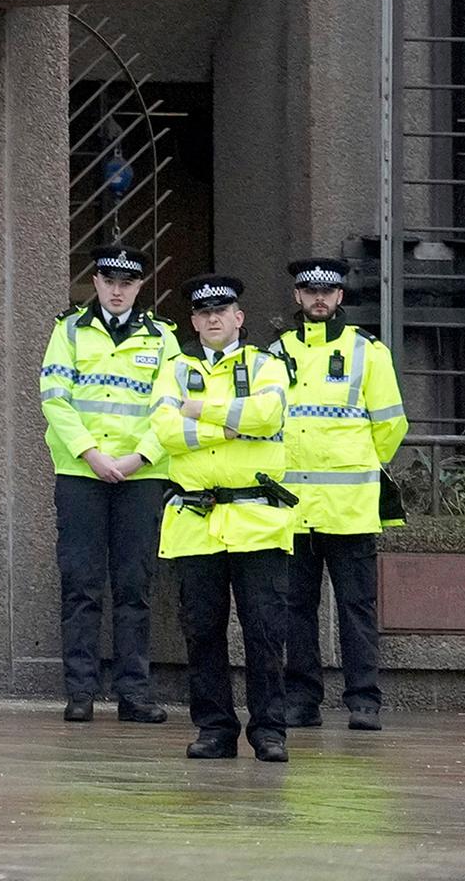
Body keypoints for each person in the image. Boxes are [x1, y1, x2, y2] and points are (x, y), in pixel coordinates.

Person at [130, 274, 294, 763]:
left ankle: (269, 730)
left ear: (238, 318)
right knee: (201, 632)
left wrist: (201, 410)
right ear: (194, 321)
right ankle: (215, 729)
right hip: (195, 520)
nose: (212, 319)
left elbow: (269, 416)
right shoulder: (174, 367)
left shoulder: (267, 364)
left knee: (264, 631)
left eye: (221, 311)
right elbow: (163, 428)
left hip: (257, 518)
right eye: (203, 313)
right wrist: (231, 428)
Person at [36, 241, 171, 725]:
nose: (117, 291)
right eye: (109, 281)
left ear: (140, 286)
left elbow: (169, 409)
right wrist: (92, 454)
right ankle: (80, 692)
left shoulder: (162, 338)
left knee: (135, 585)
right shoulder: (68, 331)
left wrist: (137, 458)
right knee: (80, 584)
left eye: (127, 283)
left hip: (141, 475)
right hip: (81, 473)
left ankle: (134, 693)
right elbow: (54, 398)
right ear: (95, 282)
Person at [272, 254, 403, 731]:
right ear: (298, 297)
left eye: (327, 292)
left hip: (349, 507)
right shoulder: (277, 351)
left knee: (357, 607)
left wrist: (357, 465)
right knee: (295, 611)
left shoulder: (369, 351)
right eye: (311, 292)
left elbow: (391, 425)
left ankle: (364, 700)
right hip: (293, 508)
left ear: (340, 297)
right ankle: (302, 700)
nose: (319, 299)